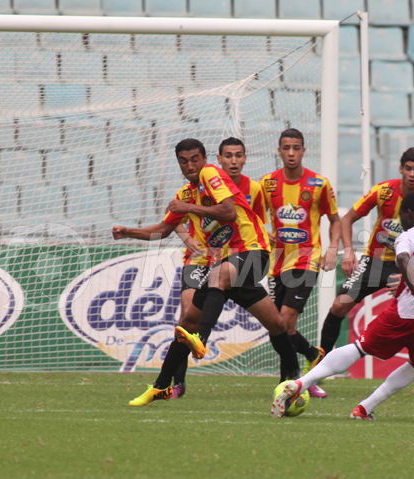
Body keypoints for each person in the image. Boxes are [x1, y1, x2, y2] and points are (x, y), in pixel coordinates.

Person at [272, 191, 414, 419]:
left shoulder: (408, 236)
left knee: (360, 348)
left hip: (406, 311)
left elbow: (402, 259)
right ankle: (364, 408)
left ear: (408, 213)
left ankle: (301, 383)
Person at [112, 138, 300, 407]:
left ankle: (202, 339)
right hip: (227, 263)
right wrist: (128, 232)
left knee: (216, 279)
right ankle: (161, 386)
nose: (190, 166)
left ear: (204, 159)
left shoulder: (210, 173)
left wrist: (187, 209)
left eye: (194, 159)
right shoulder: (185, 194)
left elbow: (229, 212)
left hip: (252, 252)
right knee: (195, 321)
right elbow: (163, 231)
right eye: (184, 161)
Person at [318, 147, 414, 395]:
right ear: (401, 169)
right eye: (408, 168)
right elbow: (347, 219)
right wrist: (349, 252)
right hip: (374, 262)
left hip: (406, 267)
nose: (412, 174)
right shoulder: (384, 191)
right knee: (339, 305)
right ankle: (320, 364)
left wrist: (412, 277)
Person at [167, 137, 266, 398]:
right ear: (219, 159)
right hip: (200, 259)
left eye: (238, 155)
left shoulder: (254, 188)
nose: (233, 161)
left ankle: (304, 368)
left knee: (277, 321)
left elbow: (255, 219)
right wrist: (186, 237)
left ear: (244, 158)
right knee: (187, 316)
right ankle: (177, 382)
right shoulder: (192, 189)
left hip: (237, 256)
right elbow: (171, 220)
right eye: (228, 156)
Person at [260, 128, 340, 398]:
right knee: (279, 327)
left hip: (306, 260)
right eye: (286, 148)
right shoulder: (268, 184)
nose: (291, 153)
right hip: (277, 263)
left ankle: (290, 382)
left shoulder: (319, 184)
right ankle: (310, 358)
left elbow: (335, 219)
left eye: (296, 148)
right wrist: (264, 233)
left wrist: (333, 249)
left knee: (284, 320)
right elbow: (253, 216)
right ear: (279, 151)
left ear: (304, 151)